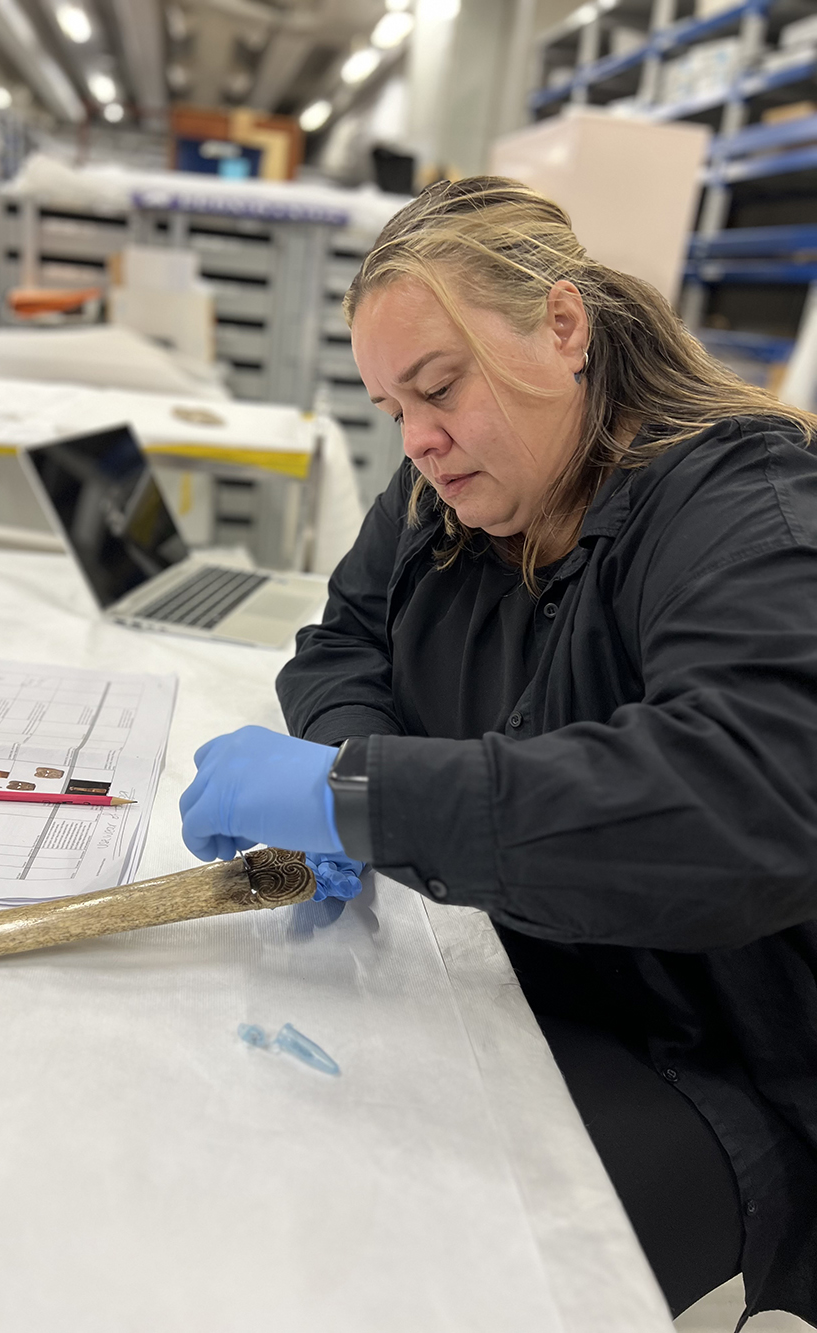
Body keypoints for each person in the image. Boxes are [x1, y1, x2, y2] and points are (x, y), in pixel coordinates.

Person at [179, 177, 817, 1328]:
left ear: (562, 327)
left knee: (403, 1277)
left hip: (710, 1048)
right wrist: (344, 766)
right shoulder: (449, 488)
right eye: (391, 408)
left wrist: (369, 799)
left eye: (439, 386)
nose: (419, 439)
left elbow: (741, 799)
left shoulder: (745, 503)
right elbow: (342, 640)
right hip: (514, 965)